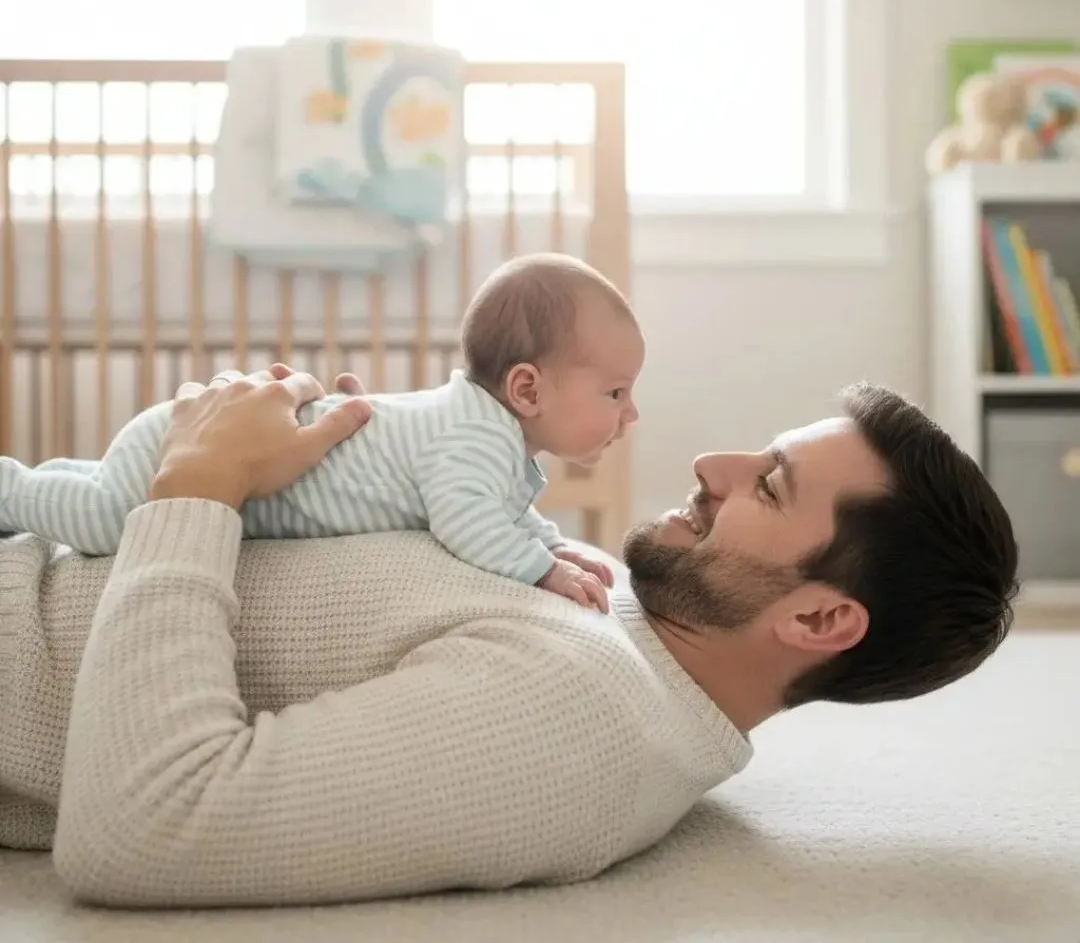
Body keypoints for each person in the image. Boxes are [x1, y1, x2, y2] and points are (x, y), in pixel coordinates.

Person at [0, 364, 1018, 909]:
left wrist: (202, 480)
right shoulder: (606, 596)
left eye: (771, 484)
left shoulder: (578, 726)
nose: (712, 459)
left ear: (820, 619)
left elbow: (145, 833)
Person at [0, 254, 643, 610]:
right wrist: (540, 571)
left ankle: (51, 478)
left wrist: (551, 542)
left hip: (215, 439)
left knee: (101, 489)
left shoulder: (486, 434)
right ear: (526, 389)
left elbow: (500, 510)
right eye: (615, 392)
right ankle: (12, 490)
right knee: (104, 522)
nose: (630, 412)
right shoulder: (474, 437)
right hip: (201, 450)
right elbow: (465, 520)